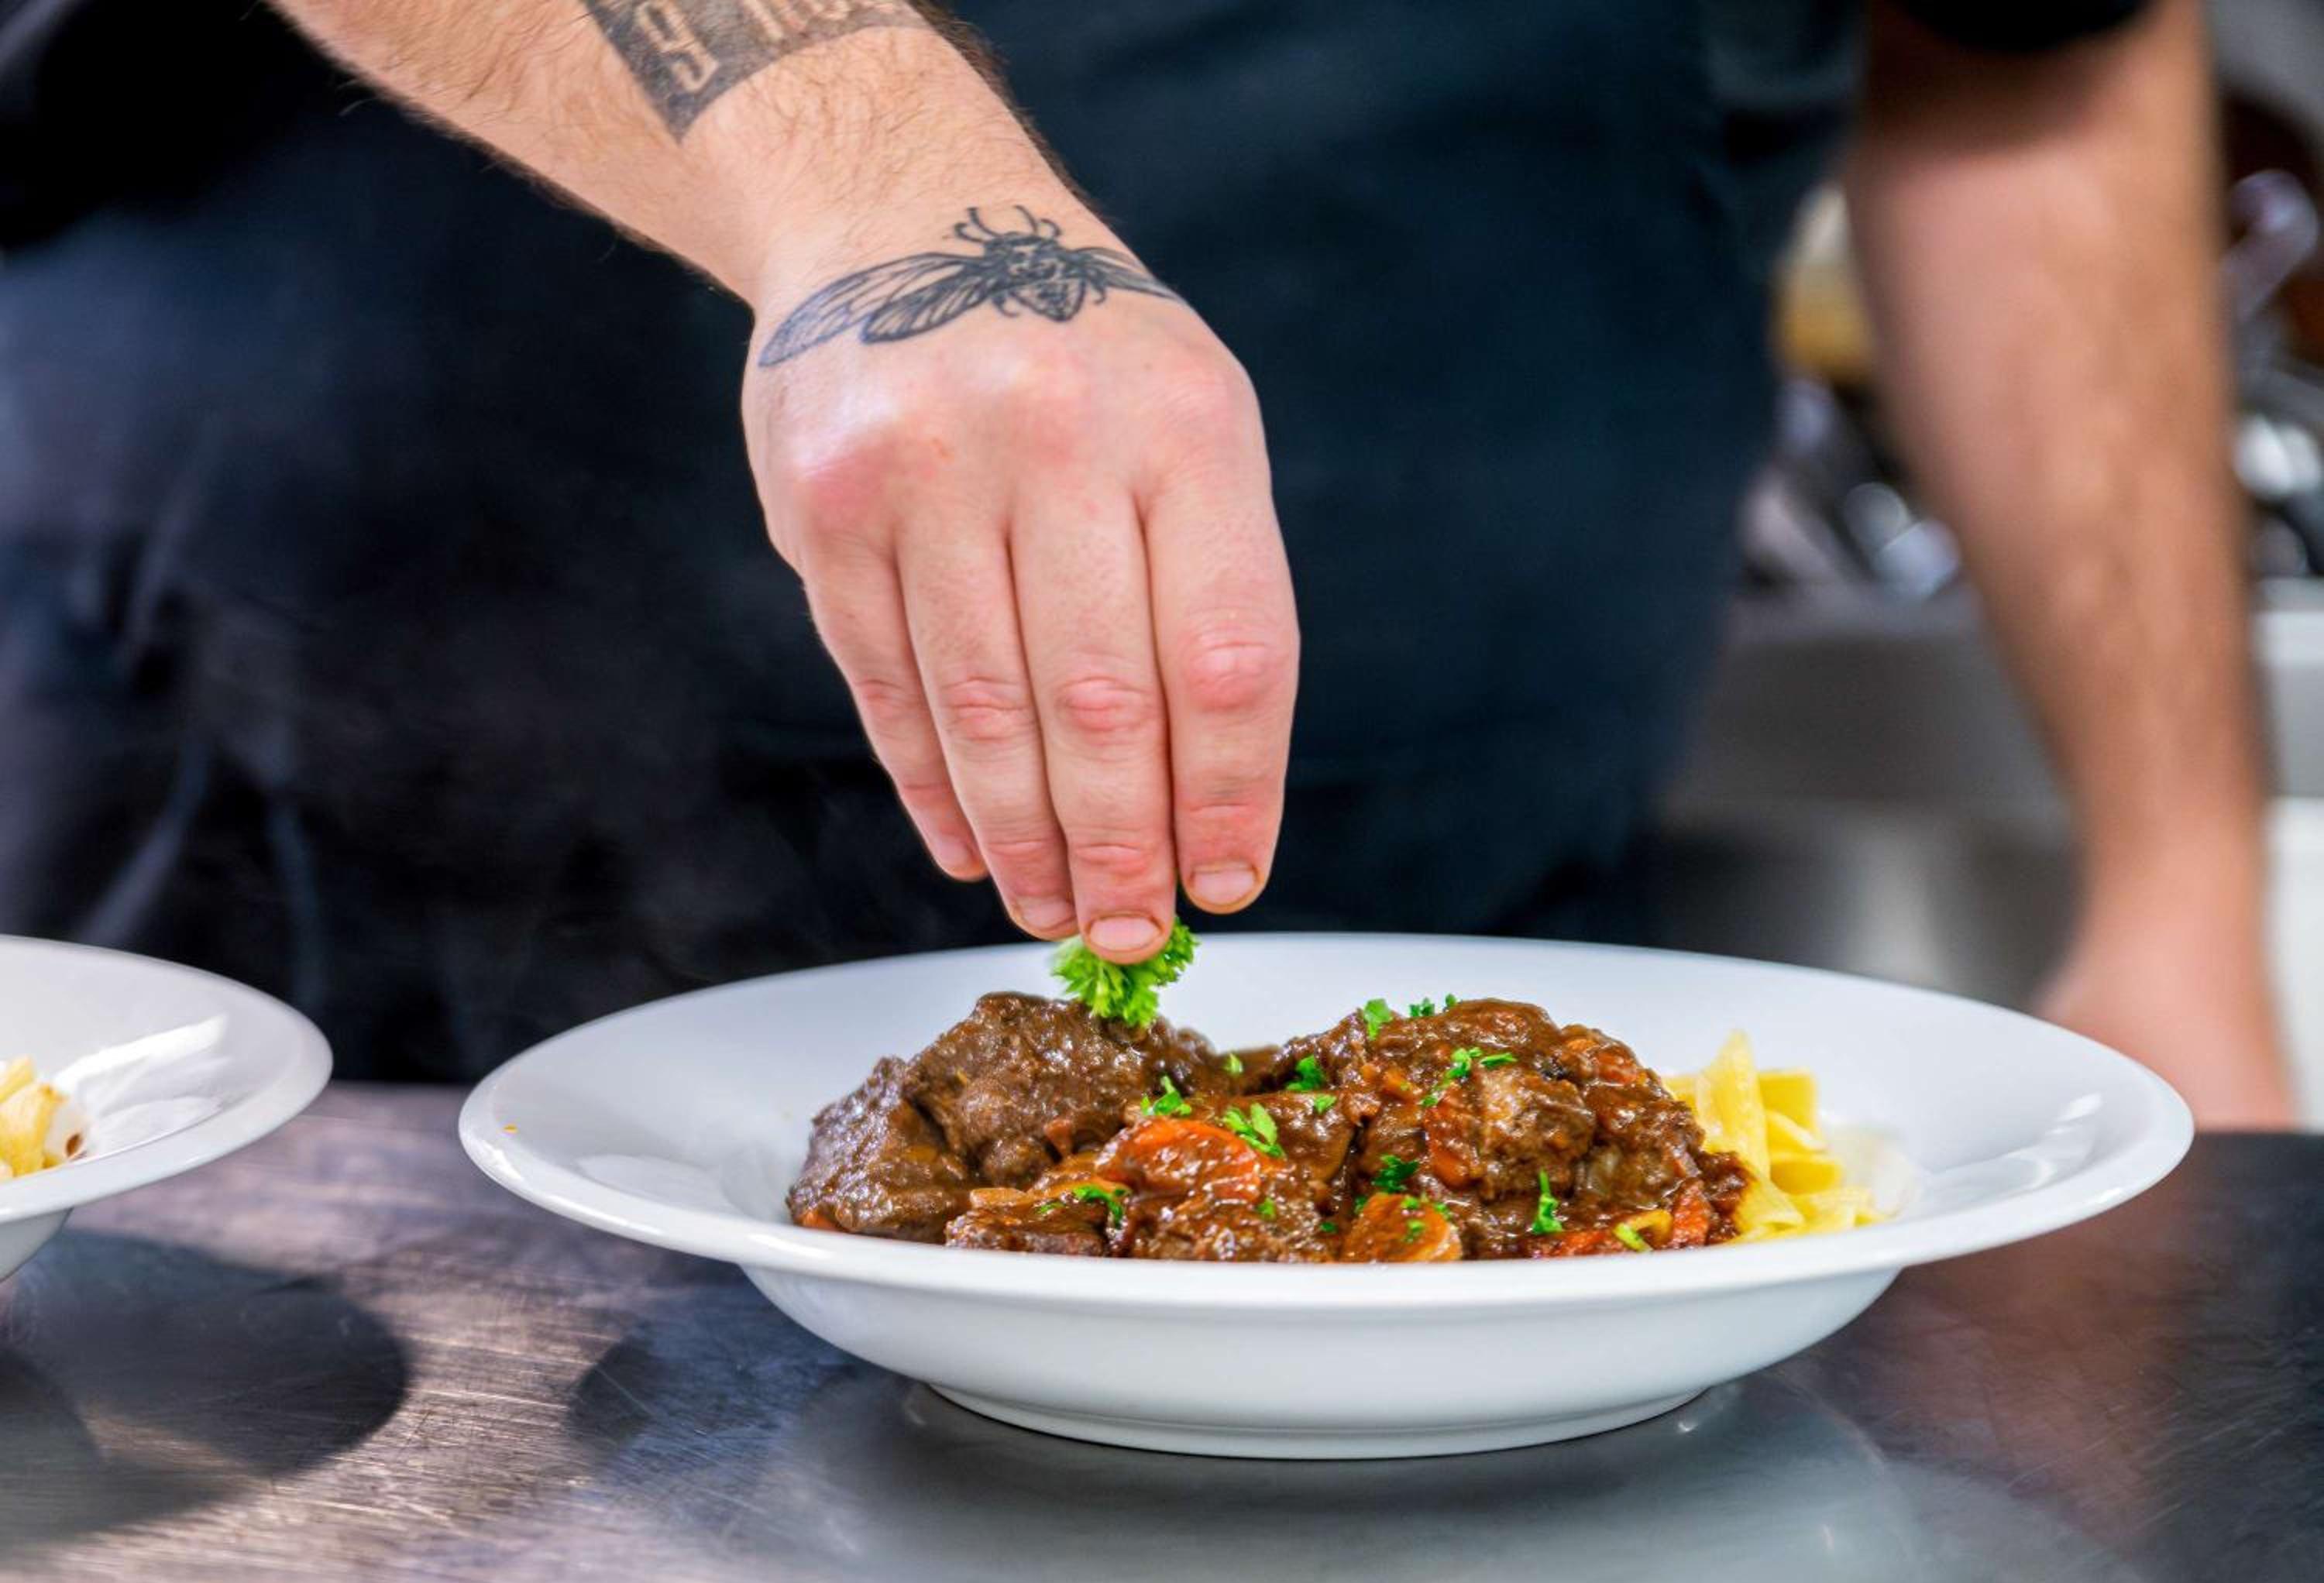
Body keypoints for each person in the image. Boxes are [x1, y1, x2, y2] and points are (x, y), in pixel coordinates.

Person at [0, 0, 2291, 1120]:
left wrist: (2180, 900)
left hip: (1479, 984)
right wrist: (870, 183)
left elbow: (2022, 67)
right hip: (332, 937)